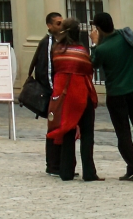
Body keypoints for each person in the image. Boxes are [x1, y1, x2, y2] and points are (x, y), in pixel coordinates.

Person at [91, 11, 133, 182]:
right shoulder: (126, 35)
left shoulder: (101, 49)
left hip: (116, 95)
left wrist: (95, 43)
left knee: (123, 133)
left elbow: (92, 64)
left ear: (98, 28)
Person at [47, 18, 101, 182]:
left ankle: (66, 171)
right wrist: (95, 45)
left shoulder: (56, 50)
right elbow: (89, 68)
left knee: (67, 133)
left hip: (62, 97)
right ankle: (89, 172)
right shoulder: (80, 51)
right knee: (87, 134)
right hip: (80, 95)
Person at [28, 11, 64, 177]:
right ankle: (53, 165)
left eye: (62, 22)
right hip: (52, 94)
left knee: (60, 127)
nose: (61, 26)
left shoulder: (58, 41)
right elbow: (47, 70)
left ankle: (60, 163)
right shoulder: (48, 42)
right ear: (49, 26)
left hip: (57, 93)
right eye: (57, 23)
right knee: (53, 128)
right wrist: (54, 94)